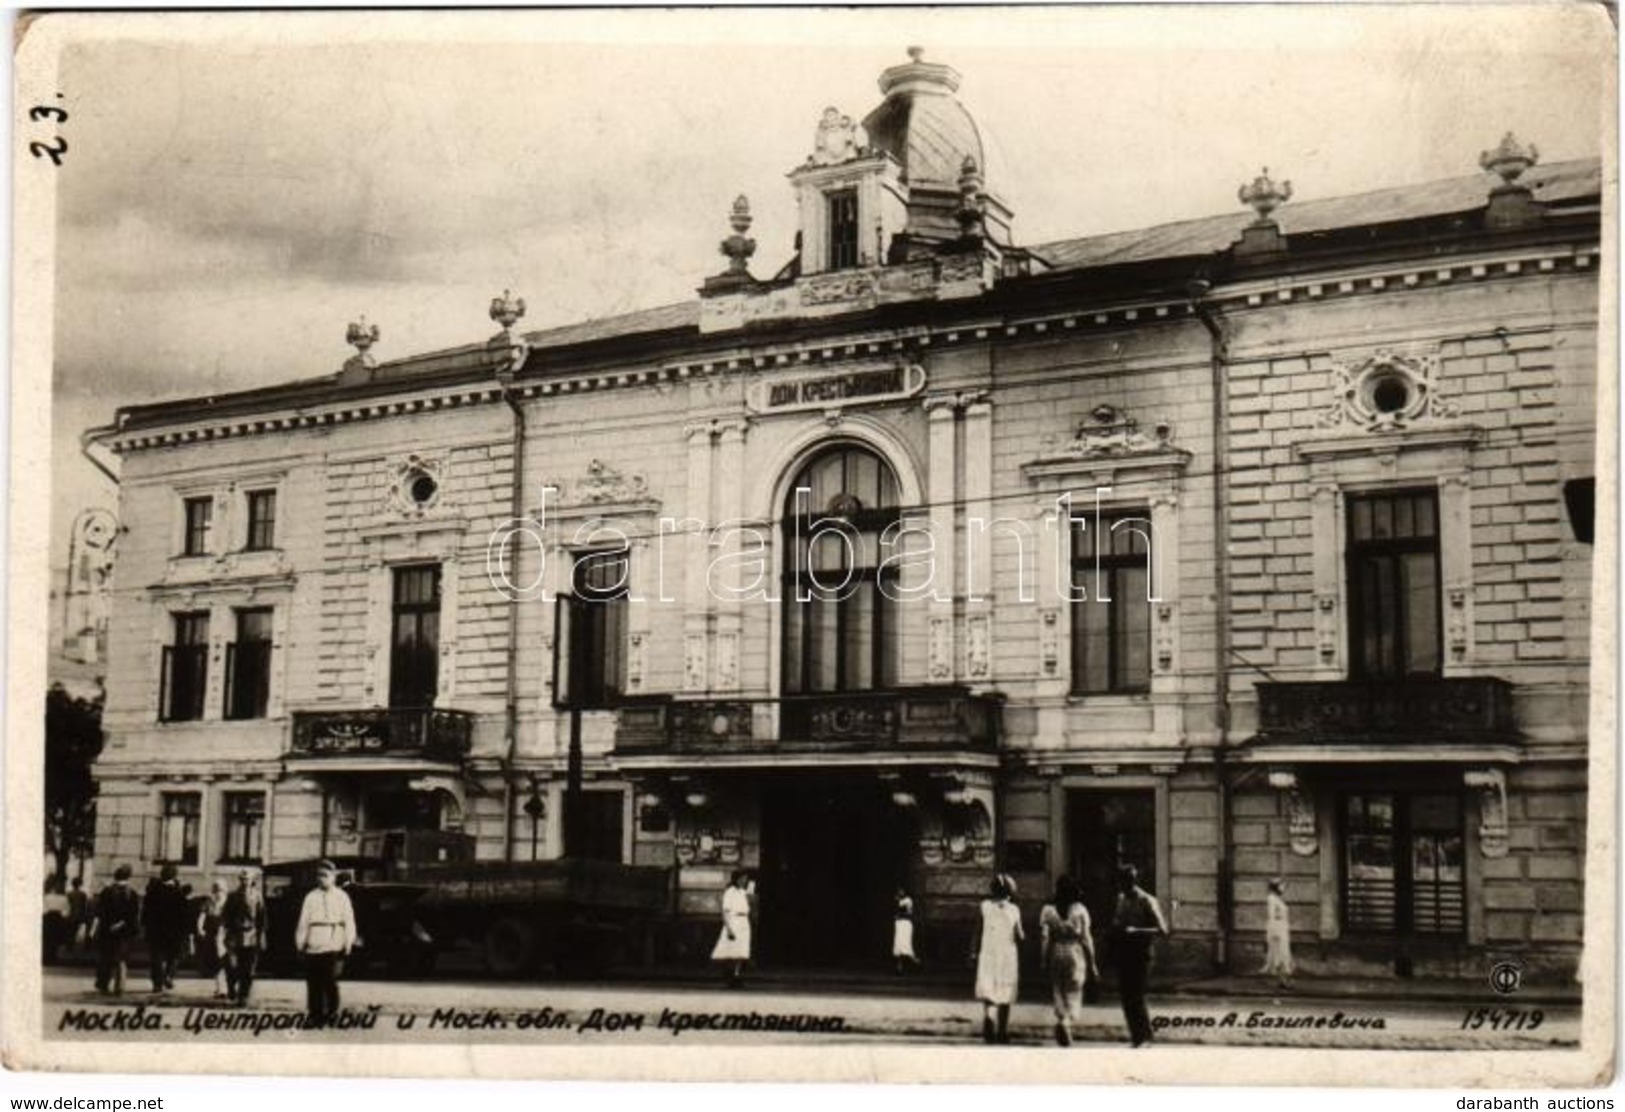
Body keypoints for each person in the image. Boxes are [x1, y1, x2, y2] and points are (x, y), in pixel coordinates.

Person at [1111, 864, 1169, 1048]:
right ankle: (1136, 1037)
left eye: (1128, 881)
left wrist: (1137, 930)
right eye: (1121, 881)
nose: (1124, 885)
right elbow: (1118, 921)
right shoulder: (1121, 899)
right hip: (1124, 952)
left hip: (1142, 953)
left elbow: (1163, 930)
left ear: (1134, 881)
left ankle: (1146, 1036)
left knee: (1136, 995)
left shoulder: (1147, 900)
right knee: (1126, 996)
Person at [295, 859, 357, 1025]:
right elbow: (303, 923)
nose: (321, 878)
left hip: (333, 944)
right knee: (313, 983)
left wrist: (348, 943)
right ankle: (315, 1015)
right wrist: (300, 944)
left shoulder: (342, 897)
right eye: (319, 875)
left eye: (325, 875)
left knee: (330, 981)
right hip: (313, 944)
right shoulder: (310, 897)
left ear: (333, 877)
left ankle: (332, 1013)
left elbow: (349, 922)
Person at [1039, 874, 1098, 1047]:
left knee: (1058, 988)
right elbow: (1087, 939)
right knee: (1074, 990)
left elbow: (1044, 938)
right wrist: (1093, 964)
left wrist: (1043, 959)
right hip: (1075, 952)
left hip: (1056, 951)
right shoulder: (1080, 910)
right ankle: (1066, 1022)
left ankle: (1061, 1016)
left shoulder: (1048, 910)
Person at [973, 873, 1023, 1044]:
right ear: (1010, 892)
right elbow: (1020, 936)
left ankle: (989, 1016)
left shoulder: (985, 907)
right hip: (1007, 955)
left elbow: (977, 932)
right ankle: (1002, 1031)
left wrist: (972, 952)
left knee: (989, 990)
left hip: (988, 953)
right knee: (1006, 993)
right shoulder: (1014, 910)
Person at [90, 865, 140, 995]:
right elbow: (133, 914)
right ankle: (120, 987)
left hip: (107, 929)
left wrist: (103, 927)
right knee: (121, 959)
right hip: (125, 931)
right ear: (129, 877)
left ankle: (103, 984)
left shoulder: (107, 891)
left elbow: (100, 912)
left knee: (106, 957)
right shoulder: (132, 893)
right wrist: (122, 923)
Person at [221, 869, 268, 1006]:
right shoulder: (232, 896)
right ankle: (231, 987)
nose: (244, 882)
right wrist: (226, 932)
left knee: (248, 969)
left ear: (251, 880)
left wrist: (262, 936)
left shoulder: (257, 896)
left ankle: (243, 995)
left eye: (247, 879)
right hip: (234, 935)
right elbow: (225, 916)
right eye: (242, 879)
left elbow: (262, 917)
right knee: (232, 965)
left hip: (251, 935)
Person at [141, 864, 190, 993]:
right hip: (174, 931)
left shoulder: (153, 891)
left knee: (156, 957)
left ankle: (157, 984)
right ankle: (168, 975)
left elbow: (146, 912)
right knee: (174, 956)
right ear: (175, 876)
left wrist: (145, 926)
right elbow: (184, 913)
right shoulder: (178, 892)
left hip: (155, 930)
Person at [710, 870, 752, 987]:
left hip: (744, 921)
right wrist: (728, 928)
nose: (744, 881)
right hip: (734, 921)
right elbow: (725, 911)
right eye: (743, 878)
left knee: (741, 951)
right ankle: (730, 977)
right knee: (731, 951)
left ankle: (737, 975)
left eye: (745, 879)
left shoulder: (743, 892)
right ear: (737, 879)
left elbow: (748, 903)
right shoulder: (730, 892)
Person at [197, 880, 229, 998]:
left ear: (225, 890)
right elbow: (202, 916)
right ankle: (220, 988)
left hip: (226, 936)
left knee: (224, 962)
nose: (218, 893)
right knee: (216, 963)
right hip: (212, 936)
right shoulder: (208, 902)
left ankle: (224, 988)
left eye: (220, 890)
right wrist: (200, 928)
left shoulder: (229, 902)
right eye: (216, 890)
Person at [1261, 878, 1294, 988]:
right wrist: (1274, 932)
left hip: (1282, 928)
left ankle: (1282, 980)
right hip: (1277, 929)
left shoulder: (1278, 899)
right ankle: (1283, 980)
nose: (1284, 888)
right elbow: (1271, 916)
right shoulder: (1271, 899)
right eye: (1282, 885)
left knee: (1283, 954)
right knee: (1279, 954)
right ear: (1276, 887)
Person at [892, 887, 920, 974]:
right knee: (898, 944)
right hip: (899, 924)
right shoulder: (898, 900)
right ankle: (899, 967)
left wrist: (898, 905)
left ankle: (915, 960)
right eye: (899, 891)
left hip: (905, 924)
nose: (900, 892)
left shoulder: (908, 900)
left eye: (902, 891)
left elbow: (907, 912)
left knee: (906, 944)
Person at [67, 877, 89, 953]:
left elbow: (67, 905)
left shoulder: (69, 894)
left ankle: (69, 946)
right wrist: (84, 917)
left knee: (70, 931)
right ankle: (72, 945)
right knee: (75, 930)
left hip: (70, 915)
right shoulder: (83, 895)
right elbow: (84, 906)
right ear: (80, 885)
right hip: (79, 915)